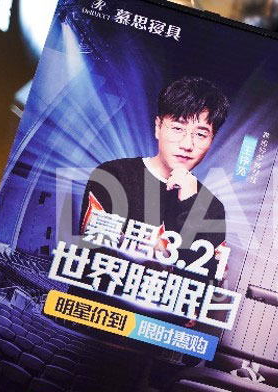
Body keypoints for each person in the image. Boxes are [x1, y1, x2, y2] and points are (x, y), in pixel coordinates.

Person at [79, 76, 229, 274]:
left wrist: (191, 204)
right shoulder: (113, 176)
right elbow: (93, 258)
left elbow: (205, 280)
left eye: (201, 134)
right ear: (158, 127)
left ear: (211, 140)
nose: (187, 144)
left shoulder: (213, 208)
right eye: (177, 128)